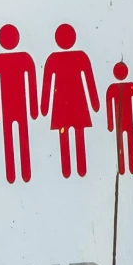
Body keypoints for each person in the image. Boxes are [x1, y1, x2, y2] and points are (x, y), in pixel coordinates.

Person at [39, 23, 99, 178]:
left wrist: (44, 107)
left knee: (66, 135)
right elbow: (89, 81)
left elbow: (47, 85)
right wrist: (94, 103)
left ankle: (72, 169)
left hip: (64, 104)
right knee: (74, 135)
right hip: (75, 103)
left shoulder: (54, 59)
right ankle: (77, 169)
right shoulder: (79, 57)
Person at [0, 25, 38, 184]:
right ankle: (16, 174)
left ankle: (22, 174)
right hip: (12, 106)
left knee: (16, 137)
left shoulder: (11, 60)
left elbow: (31, 82)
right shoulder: (2, 61)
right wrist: (34, 108)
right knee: (14, 137)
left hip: (13, 106)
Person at [105, 61, 133, 176]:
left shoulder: (128, 88)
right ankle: (125, 167)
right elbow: (109, 108)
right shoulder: (116, 89)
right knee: (123, 142)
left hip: (124, 121)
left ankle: (130, 166)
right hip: (122, 122)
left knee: (126, 142)